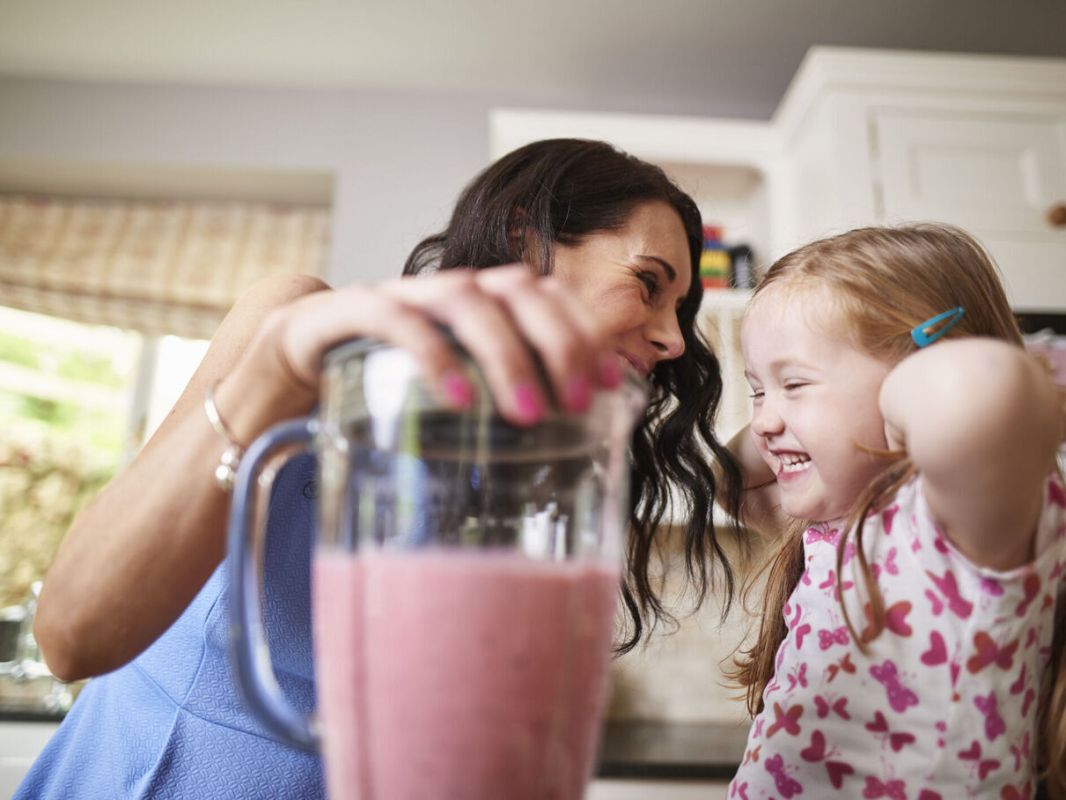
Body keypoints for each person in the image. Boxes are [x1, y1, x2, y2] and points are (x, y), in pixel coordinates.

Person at [16, 138, 744, 798]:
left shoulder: (545, 473)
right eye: (650, 284)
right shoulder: (302, 335)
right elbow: (71, 639)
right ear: (528, 240)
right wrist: (273, 370)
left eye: (682, 314)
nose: (673, 340)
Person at [726, 224, 1066, 799]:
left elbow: (980, 388)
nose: (763, 420)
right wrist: (799, 397)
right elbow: (730, 479)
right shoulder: (834, 527)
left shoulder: (964, 528)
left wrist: (910, 370)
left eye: (796, 382)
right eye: (758, 390)